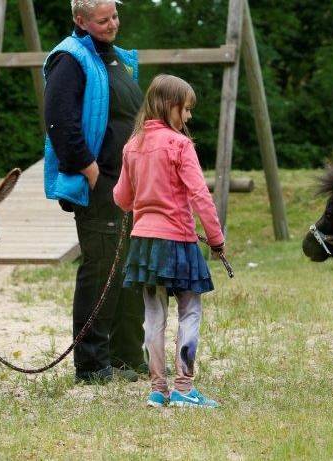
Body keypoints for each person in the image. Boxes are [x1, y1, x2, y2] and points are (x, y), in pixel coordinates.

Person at [42, 0, 146, 384]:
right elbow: (60, 121)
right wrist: (89, 170)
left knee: (130, 270)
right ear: (80, 20)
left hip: (132, 184)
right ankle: (91, 365)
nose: (112, 24)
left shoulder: (119, 58)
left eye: (114, 16)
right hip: (101, 183)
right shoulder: (68, 59)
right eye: (103, 20)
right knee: (101, 269)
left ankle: (127, 357)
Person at [113, 74, 226, 408]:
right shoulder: (180, 145)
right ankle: (184, 388)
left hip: (144, 244)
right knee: (190, 311)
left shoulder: (131, 146)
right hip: (178, 241)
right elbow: (200, 195)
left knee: (153, 316)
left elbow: (122, 198)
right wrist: (216, 239)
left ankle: (158, 389)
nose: (188, 117)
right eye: (185, 109)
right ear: (168, 105)